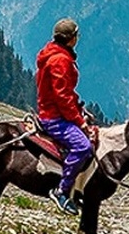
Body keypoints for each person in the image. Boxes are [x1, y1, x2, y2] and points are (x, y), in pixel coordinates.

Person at [35, 17, 96, 213]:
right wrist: (79, 121)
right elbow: (62, 97)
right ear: (71, 39)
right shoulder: (60, 60)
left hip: (52, 111)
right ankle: (62, 191)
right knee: (82, 146)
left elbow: (65, 91)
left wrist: (79, 107)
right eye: (76, 35)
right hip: (54, 117)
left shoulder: (53, 54)